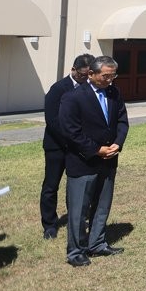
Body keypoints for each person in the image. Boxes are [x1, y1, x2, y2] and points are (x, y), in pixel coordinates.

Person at [58, 55, 129, 267]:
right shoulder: (73, 97)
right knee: (79, 210)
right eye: (105, 76)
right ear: (91, 74)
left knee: (102, 205)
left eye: (113, 76)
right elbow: (70, 131)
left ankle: (97, 242)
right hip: (83, 162)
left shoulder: (114, 93)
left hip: (108, 160)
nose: (109, 80)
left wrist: (117, 143)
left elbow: (122, 121)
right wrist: (96, 150)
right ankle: (76, 251)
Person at [40, 53, 94, 239]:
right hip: (57, 146)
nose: (85, 78)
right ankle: (49, 225)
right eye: (82, 75)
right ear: (73, 70)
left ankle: (77, 217)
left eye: (89, 75)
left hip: (77, 146)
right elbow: (52, 120)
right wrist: (71, 139)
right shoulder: (58, 89)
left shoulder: (89, 89)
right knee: (51, 185)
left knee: (76, 185)